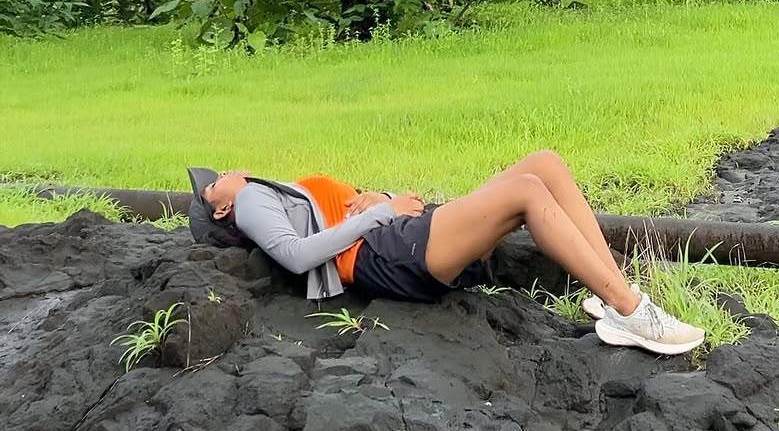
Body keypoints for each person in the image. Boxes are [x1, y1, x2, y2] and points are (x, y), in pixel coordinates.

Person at [188, 150, 705, 357]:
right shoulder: (250, 200)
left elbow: (344, 211)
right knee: (527, 191)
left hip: (395, 235)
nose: (223, 173)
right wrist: (380, 214)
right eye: (213, 185)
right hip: (385, 253)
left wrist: (379, 199)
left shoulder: (271, 193)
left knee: (545, 164)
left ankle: (616, 298)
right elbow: (298, 255)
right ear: (221, 210)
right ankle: (633, 313)